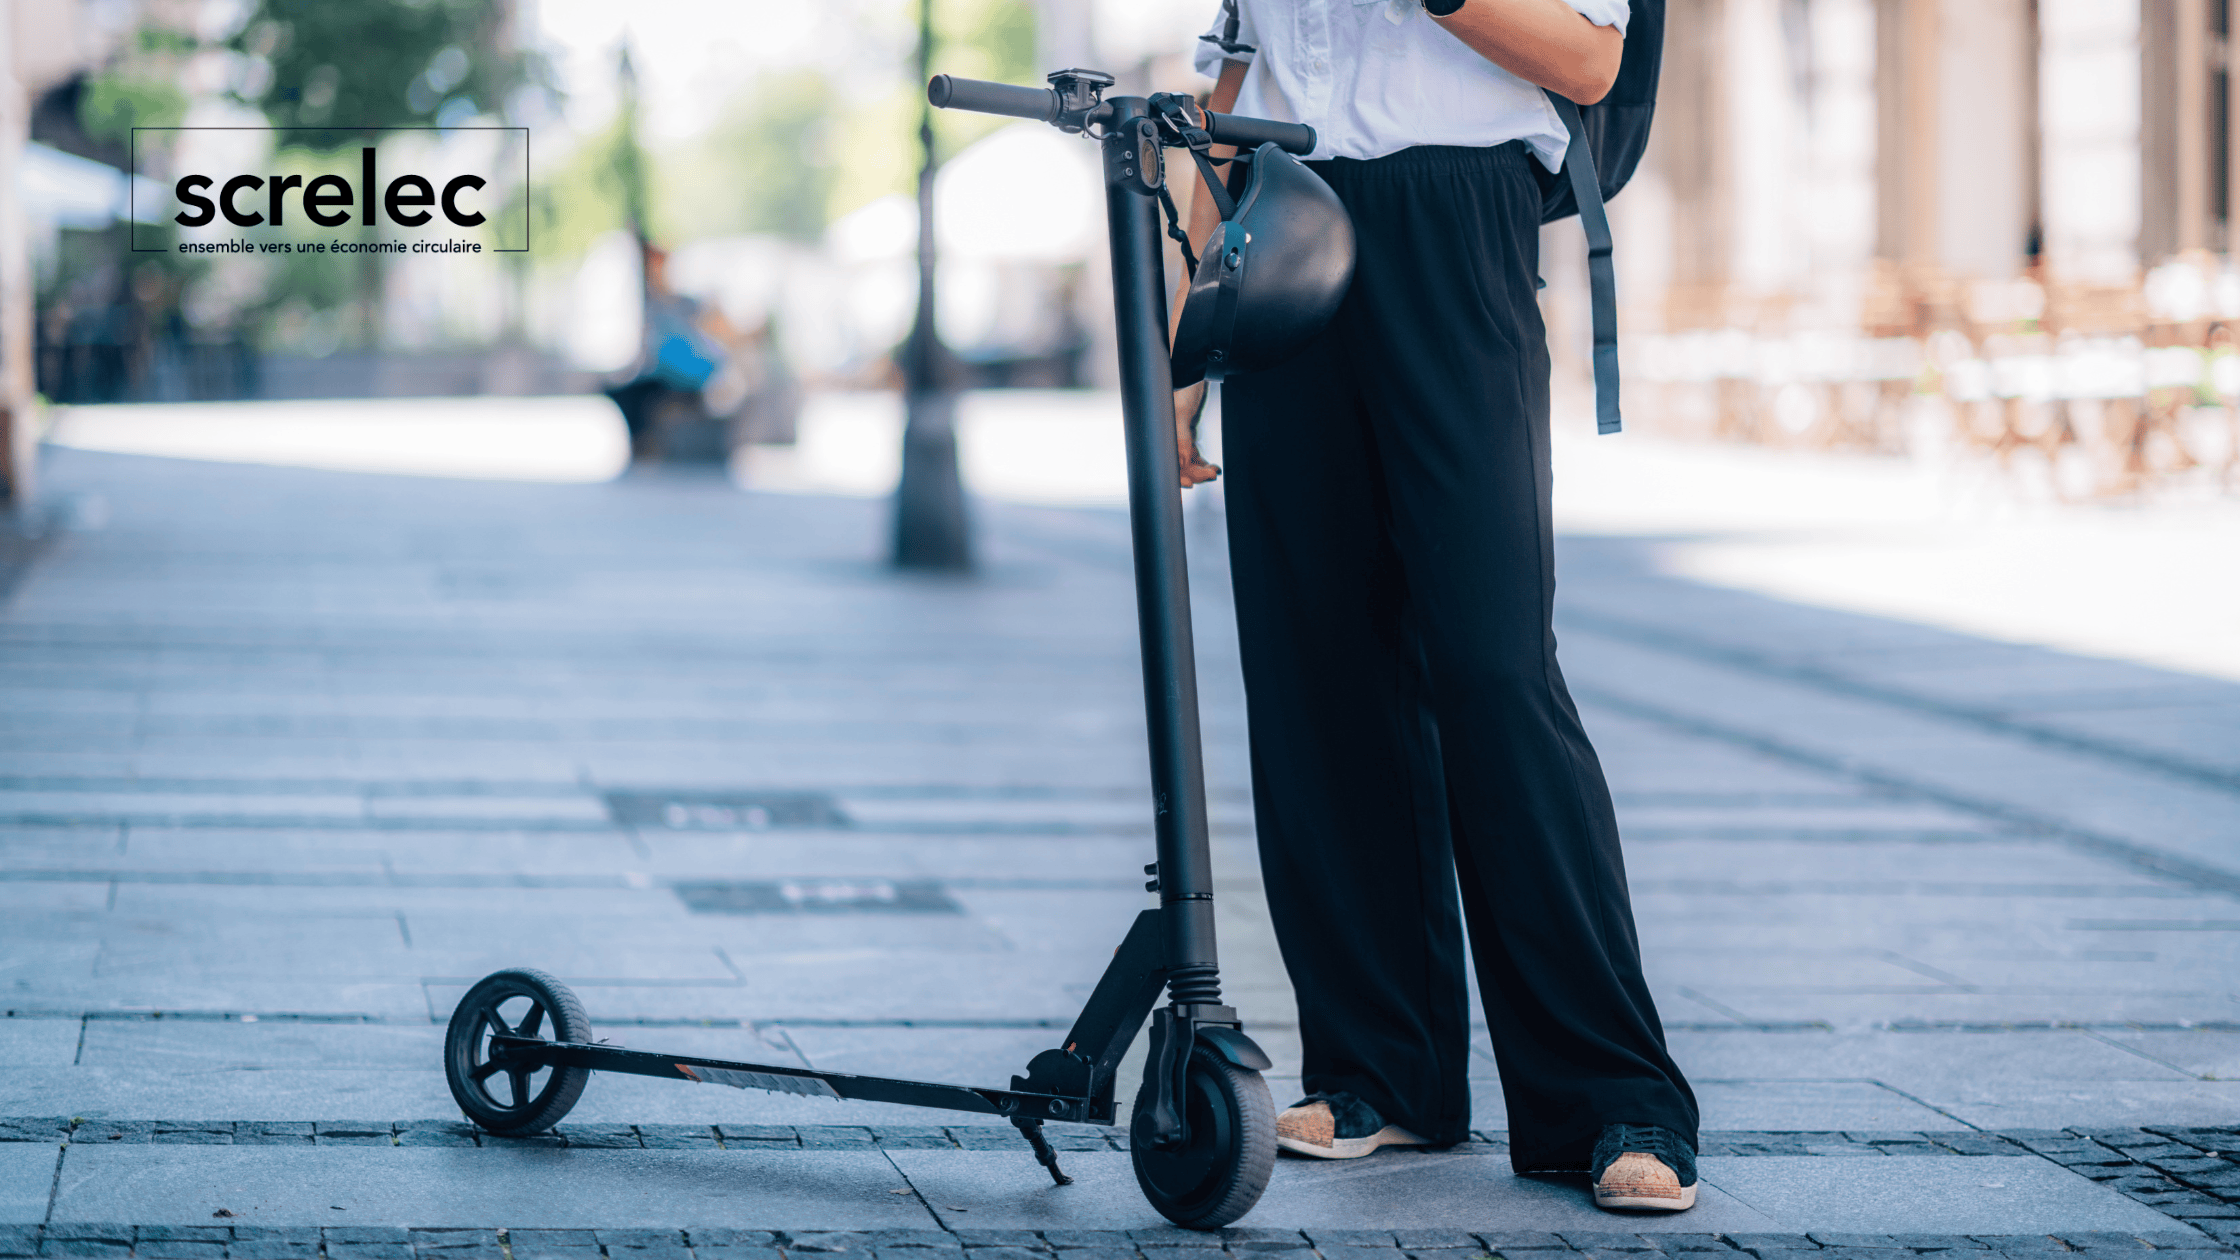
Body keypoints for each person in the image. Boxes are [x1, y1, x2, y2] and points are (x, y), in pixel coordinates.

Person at [1172, 0, 1701, 1214]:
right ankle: (1382, 1073)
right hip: (1287, 230)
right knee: (1316, 674)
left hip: (1455, 219)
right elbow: (1222, 103)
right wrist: (1184, 354)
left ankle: (1614, 1099)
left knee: (1492, 669)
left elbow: (1589, 58)